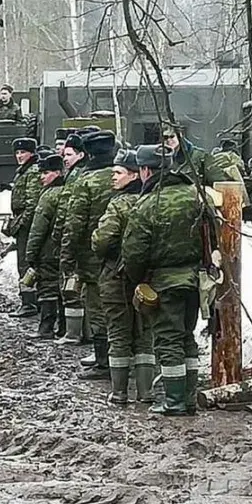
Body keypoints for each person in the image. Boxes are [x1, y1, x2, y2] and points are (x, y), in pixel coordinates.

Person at [121, 144, 205, 416]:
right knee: (187, 337)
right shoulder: (195, 195)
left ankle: (174, 401)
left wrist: (135, 281)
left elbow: (134, 251)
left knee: (168, 341)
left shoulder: (147, 204)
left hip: (163, 282)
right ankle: (189, 398)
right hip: (194, 280)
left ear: (145, 170)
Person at [90, 148, 155, 405]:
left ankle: (119, 393)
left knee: (118, 332)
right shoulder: (152, 200)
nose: (112, 178)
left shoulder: (119, 203)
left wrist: (97, 241)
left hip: (116, 277)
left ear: (134, 174)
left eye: (118, 173)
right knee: (144, 334)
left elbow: (102, 240)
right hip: (148, 279)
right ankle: (146, 392)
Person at [61, 130, 118, 378]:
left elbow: (74, 222)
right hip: (123, 254)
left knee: (97, 307)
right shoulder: (124, 174)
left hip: (92, 255)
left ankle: (103, 362)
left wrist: (67, 255)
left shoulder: (87, 181)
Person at [25, 151, 66, 338]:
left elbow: (38, 228)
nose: (42, 177)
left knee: (47, 289)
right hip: (63, 249)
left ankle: (46, 328)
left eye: (45, 173)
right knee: (62, 289)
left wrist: (31, 254)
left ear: (57, 172)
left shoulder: (49, 196)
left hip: (48, 251)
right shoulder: (68, 191)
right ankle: (64, 328)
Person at [54, 131, 90, 342]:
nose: (64, 158)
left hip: (76, 239)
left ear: (81, 155)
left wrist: (61, 236)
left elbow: (68, 210)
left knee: (73, 285)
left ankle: (75, 333)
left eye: (68, 154)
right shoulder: (75, 174)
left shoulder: (78, 177)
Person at [5, 137, 43, 318]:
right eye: (17, 153)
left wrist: (19, 225)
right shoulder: (24, 171)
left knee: (26, 264)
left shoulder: (32, 172)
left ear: (31, 153)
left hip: (27, 225)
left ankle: (29, 302)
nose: (19, 156)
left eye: (23, 152)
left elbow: (32, 203)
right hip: (22, 221)